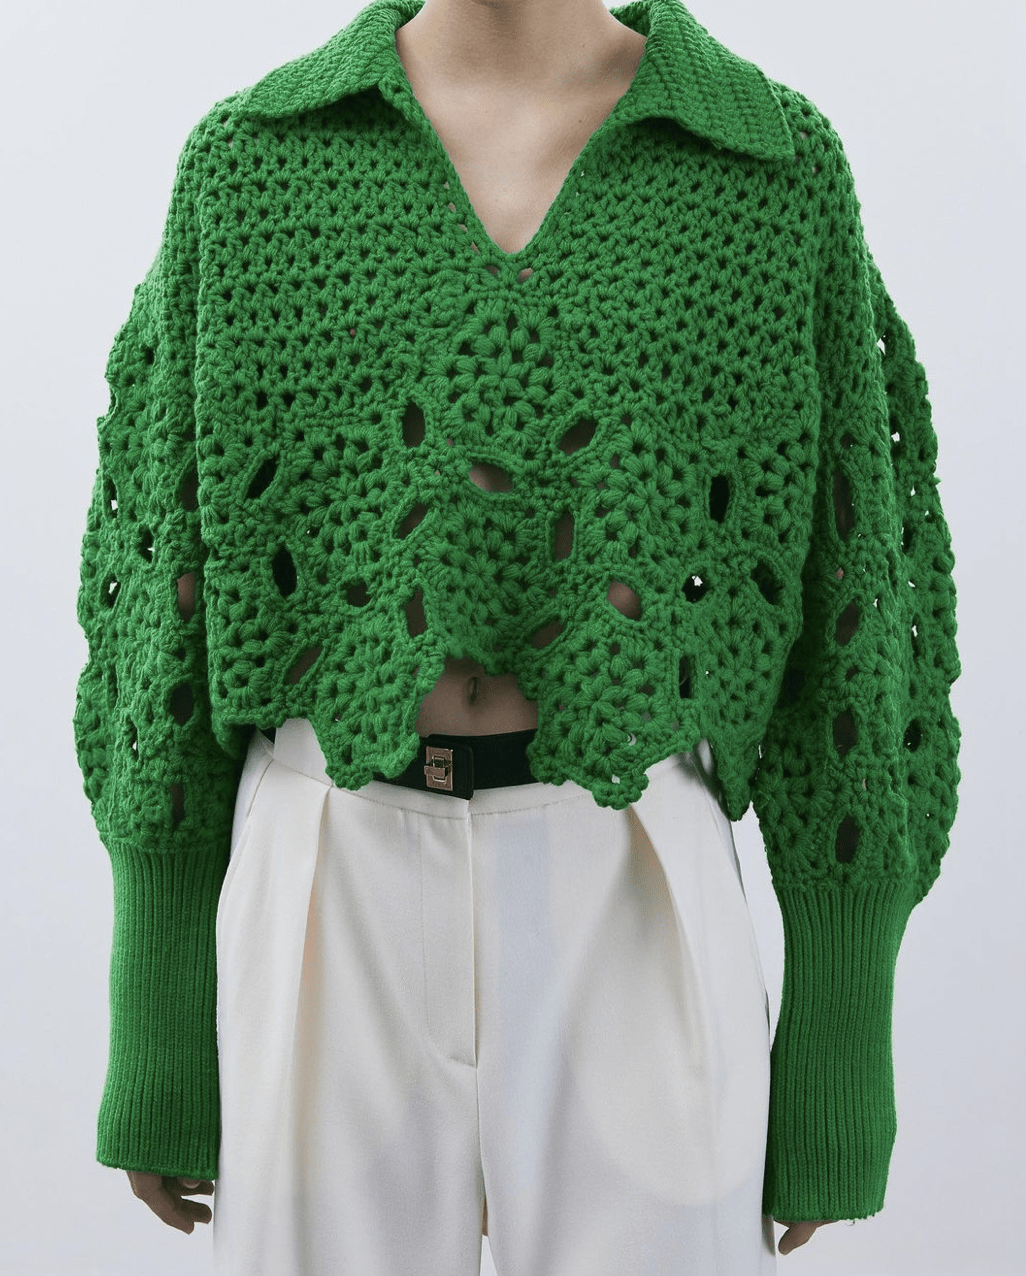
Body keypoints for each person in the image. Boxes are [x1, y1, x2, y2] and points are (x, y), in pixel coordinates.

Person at [73, 0, 962, 1272]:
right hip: (329, 868)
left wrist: (841, 1032)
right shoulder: (255, 161)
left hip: (633, 875)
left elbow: (856, 605)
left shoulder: (767, 170)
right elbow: (164, 589)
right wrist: (156, 1012)